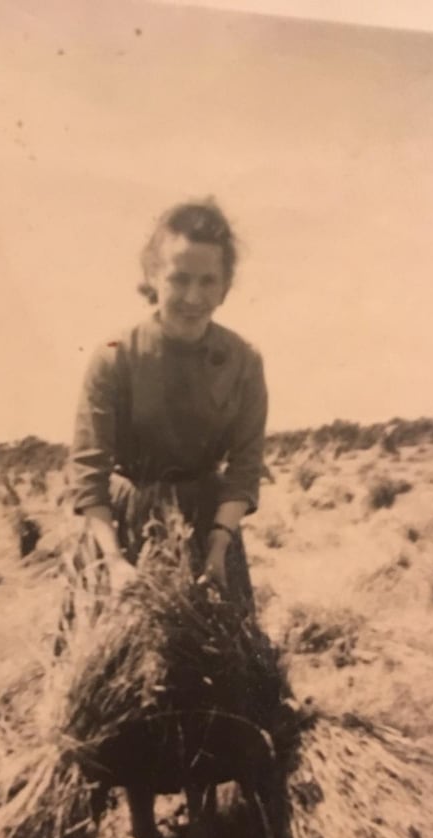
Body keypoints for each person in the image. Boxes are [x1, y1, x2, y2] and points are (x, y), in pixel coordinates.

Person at [68, 197, 268, 611]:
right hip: (121, 533)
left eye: (208, 281)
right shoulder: (114, 356)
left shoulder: (244, 361)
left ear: (226, 286)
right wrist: (114, 561)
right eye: (180, 279)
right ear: (153, 276)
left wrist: (217, 546)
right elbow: (89, 473)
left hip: (209, 529)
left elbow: (245, 468)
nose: (193, 296)